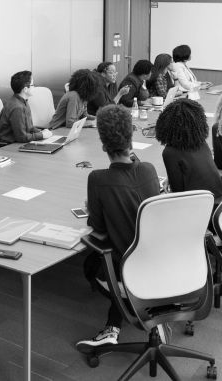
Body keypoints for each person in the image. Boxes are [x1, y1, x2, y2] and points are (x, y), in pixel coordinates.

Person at [76, 105, 160, 350]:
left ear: (103, 145)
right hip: (161, 261)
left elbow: (98, 229)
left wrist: (94, 209)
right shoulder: (149, 169)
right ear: (130, 138)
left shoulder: (98, 179)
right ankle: (134, 319)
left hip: (129, 269)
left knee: (91, 265)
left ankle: (124, 314)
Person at [155, 98, 222, 202]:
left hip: (202, 209)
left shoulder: (169, 153)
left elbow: (177, 194)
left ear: (165, 124)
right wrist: (170, 177)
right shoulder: (202, 143)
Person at [0, 71, 53, 143]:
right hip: (10, 146)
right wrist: (41, 135)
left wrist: (41, 132)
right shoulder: (17, 108)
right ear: (25, 89)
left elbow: (29, 128)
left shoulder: (23, 101)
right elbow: (22, 137)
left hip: (20, 142)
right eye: (33, 85)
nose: (35, 87)